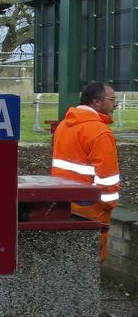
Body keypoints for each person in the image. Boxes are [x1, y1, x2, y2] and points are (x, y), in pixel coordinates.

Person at [51, 81, 120, 263]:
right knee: (88, 268)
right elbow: (108, 179)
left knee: (68, 266)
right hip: (91, 213)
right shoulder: (99, 132)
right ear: (96, 102)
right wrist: (109, 205)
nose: (116, 104)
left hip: (63, 207)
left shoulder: (64, 125)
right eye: (112, 99)